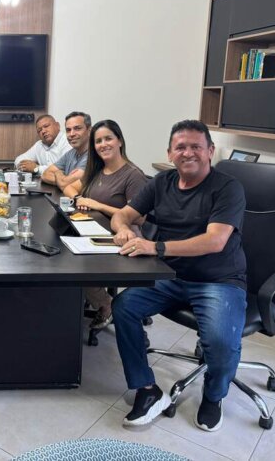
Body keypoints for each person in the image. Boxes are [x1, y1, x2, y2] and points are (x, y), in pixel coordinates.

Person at [110, 120, 247, 432]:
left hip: (218, 281)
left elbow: (215, 241)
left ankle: (214, 395)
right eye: (180, 147)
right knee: (124, 307)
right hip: (171, 276)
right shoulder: (162, 182)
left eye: (196, 146)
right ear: (169, 153)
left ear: (210, 151)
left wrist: (156, 247)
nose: (188, 153)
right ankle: (147, 389)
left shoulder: (228, 188)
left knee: (220, 342)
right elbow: (123, 214)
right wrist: (123, 229)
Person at [62, 119, 147, 329]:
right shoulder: (98, 169)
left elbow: (139, 218)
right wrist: (78, 199)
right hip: (95, 232)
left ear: (120, 141)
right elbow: (68, 188)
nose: (103, 144)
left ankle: (106, 305)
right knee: (61, 252)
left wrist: (97, 205)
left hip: (122, 238)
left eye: (108, 138)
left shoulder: (133, 175)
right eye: (98, 141)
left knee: (74, 265)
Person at [41, 111, 92, 191]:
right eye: (68, 130)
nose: (72, 134)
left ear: (89, 130)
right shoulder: (71, 153)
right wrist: (64, 179)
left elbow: (64, 184)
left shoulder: (93, 155)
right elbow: (45, 175)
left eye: (77, 128)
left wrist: (58, 173)